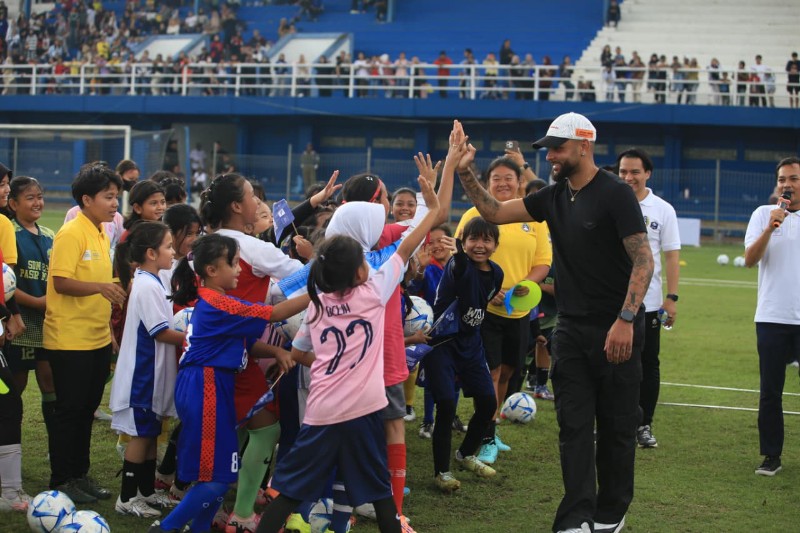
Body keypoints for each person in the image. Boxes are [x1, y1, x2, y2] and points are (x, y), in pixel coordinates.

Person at [456, 112, 654, 533]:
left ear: (584, 145)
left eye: (558, 148)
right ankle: (576, 517)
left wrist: (625, 318)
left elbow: (643, 259)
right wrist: (465, 170)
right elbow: (493, 210)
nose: (550, 157)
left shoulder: (616, 193)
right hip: (571, 330)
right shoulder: (554, 196)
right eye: (548, 150)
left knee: (617, 428)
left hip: (617, 328)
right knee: (573, 427)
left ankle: (610, 513)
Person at [255, 173, 440, 533]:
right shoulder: (374, 291)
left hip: (322, 410)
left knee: (289, 493)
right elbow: (406, 247)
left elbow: (299, 352)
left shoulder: (317, 304)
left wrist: (327, 363)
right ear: (359, 270)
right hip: (364, 410)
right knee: (381, 495)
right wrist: (430, 208)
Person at [148, 234, 309, 533]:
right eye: (233, 263)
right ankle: (165, 528)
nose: (239, 270)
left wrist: (276, 352)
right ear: (211, 270)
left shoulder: (218, 301)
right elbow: (275, 314)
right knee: (217, 480)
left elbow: (244, 342)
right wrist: (318, 291)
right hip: (205, 386)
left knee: (221, 474)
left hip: (211, 385)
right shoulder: (221, 304)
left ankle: (199, 528)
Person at [455, 155, 551, 465]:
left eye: (509, 178)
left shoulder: (534, 218)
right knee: (491, 373)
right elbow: (460, 256)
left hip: (519, 312)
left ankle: (490, 428)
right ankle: (486, 435)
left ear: (520, 182)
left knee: (509, 372)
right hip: (485, 311)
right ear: (487, 182)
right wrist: (486, 289)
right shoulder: (474, 213)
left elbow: (543, 262)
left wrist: (525, 284)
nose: (502, 183)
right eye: (496, 178)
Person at [43, 164, 128, 503]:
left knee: (86, 411)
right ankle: (61, 479)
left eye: (116, 196)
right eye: (108, 197)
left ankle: (80, 474)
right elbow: (61, 282)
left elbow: (101, 283)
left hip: (96, 338)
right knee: (70, 411)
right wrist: (100, 288)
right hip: (69, 339)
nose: (114, 203)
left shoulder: (101, 231)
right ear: (86, 199)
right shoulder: (71, 232)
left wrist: (110, 328)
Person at [110, 222, 185, 518]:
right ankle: (127, 498)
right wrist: (194, 337)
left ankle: (146, 492)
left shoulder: (152, 280)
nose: (173, 251)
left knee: (151, 433)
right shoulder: (146, 286)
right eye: (168, 246)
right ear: (151, 253)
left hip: (152, 375)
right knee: (140, 435)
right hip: (141, 376)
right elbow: (161, 332)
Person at [424, 217, 503, 493]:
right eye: (473, 239)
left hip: (471, 345)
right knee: (446, 405)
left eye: (486, 240)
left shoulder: (497, 273)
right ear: (463, 242)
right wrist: (457, 254)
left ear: (495, 245)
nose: (480, 245)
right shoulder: (456, 265)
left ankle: (466, 454)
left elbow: (482, 300)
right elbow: (460, 270)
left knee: (488, 402)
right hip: (442, 344)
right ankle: (441, 472)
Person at [617, 148, 681, 449]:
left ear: (648, 174)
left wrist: (671, 297)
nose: (628, 177)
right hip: (612, 300)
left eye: (635, 172)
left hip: (650, 303)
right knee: (611, 363)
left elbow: (671, 256)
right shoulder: (610, 202)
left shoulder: (663, 209)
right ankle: (613, 422)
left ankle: (643, 424)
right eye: (623, 172)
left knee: (646, 364)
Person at [744, 156, 800, 477]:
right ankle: (771, 455)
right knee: (770, 392)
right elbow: (750, 259)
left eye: (793, 179)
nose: (786, 184)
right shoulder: (763, 214)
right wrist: (770, 227)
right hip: (771, 317)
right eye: (782, 179)